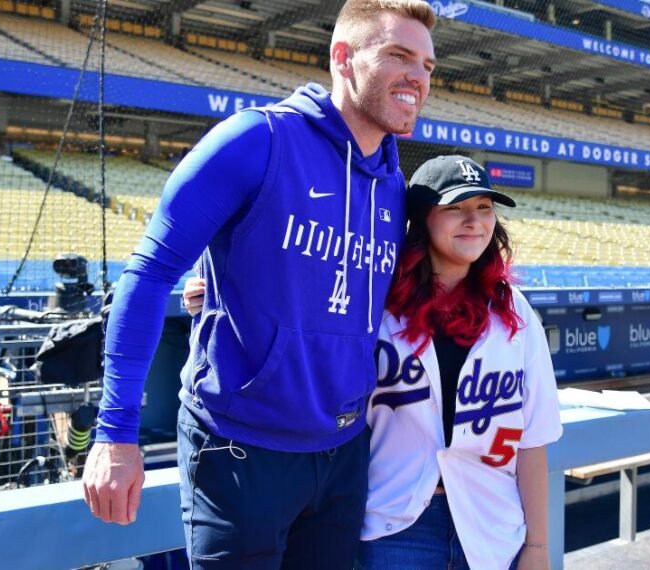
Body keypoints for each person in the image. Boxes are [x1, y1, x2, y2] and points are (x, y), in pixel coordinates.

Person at [82, 2, 437, 569]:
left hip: (343, 453)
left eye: (427, 65)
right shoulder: (256, 140)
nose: (418, 77)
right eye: (398, 55)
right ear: (342, 58)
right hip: (239, 450)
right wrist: (116, 433)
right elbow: (147, 275)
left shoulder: (392, 185)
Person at [185, 155, 562, 569]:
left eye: (484, 208)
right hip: (395, 526)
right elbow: (295, 311)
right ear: (421, 220)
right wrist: (222, 293)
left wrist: (539, 546)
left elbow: (533, 442)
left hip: (494, 524)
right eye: (455, 208)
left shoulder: (515, 312)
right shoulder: (374, 302)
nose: (474, 221)